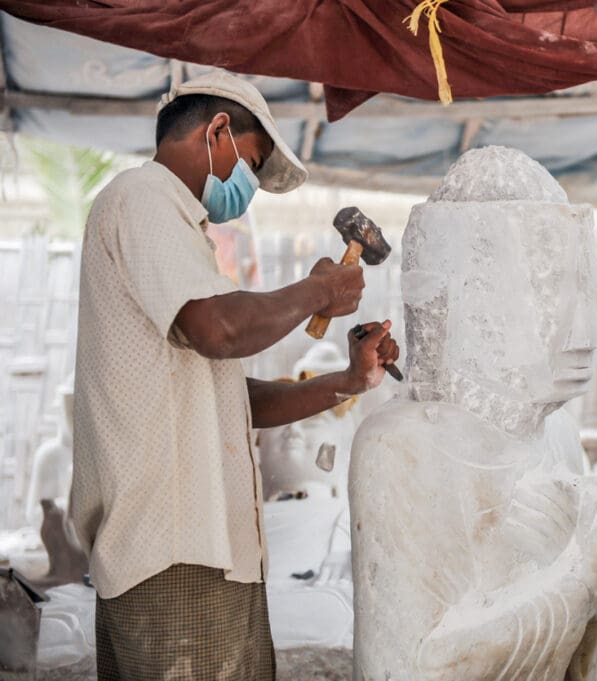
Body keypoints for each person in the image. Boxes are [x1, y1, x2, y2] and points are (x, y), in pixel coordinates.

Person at [71, 71, 399, 681]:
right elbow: (219, 330)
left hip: (204, 551)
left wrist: (349, 380)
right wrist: (317, 291)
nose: (245, 185)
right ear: (218, 130)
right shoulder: (143, 197)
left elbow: (231, 400)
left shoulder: (179, 233)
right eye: (249, 162)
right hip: (172, 549)